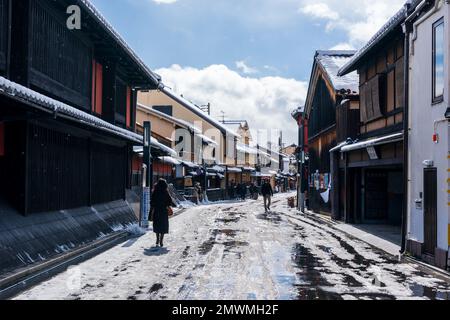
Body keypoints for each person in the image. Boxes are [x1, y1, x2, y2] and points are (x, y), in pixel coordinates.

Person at [150, 179, 176, 248]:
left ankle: (157, 239)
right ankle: (161, 240)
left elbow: (152, 202)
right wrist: (166, 205)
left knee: (157, 225)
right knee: (163, 225)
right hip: (163, 211)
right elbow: (170, 201)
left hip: (156, 210)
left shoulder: (155, 191)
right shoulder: (165, 192)